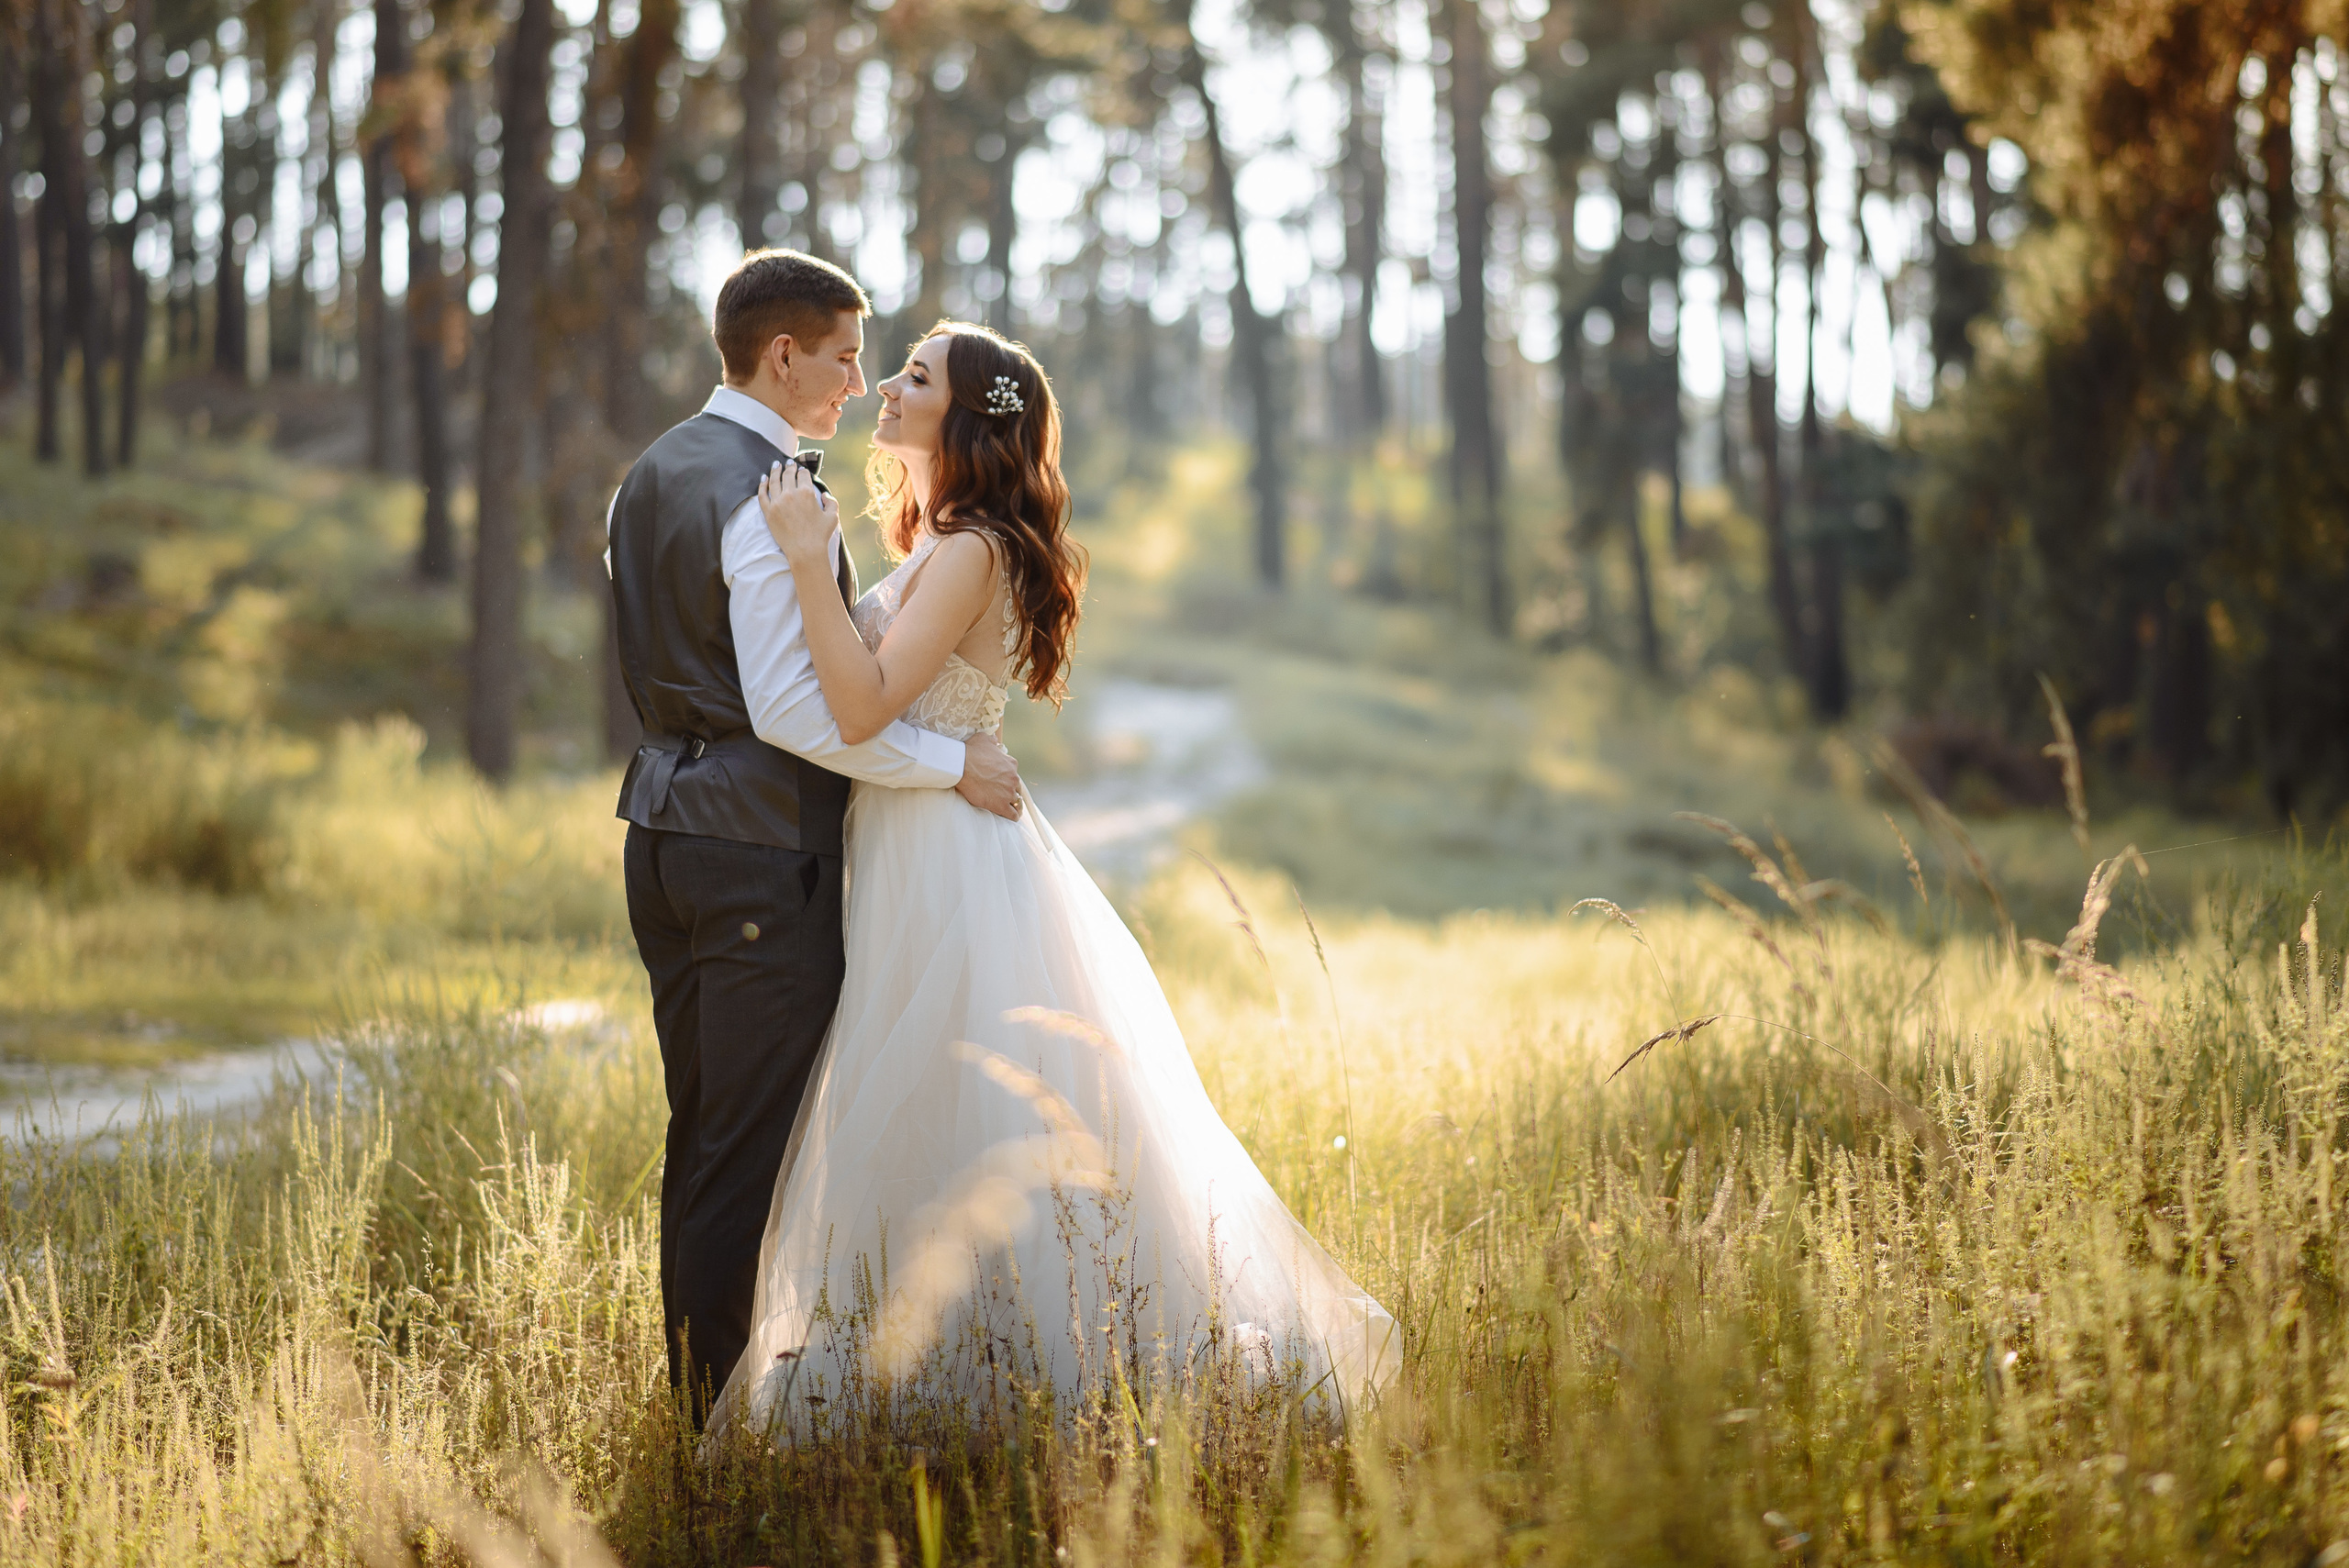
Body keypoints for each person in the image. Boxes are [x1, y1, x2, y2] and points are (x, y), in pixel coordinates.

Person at [709, 320, 1397, 1440]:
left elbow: (860, 705)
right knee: (935, 1102)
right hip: (915, 842)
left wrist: (799, 557)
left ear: (968, 417)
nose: (884, 384)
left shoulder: (974, 545)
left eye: (916, 376)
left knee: (969, 1099)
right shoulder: (935, 540)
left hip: (953, 864)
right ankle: (940, 1356)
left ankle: (1031, 1370)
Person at [607, 250, 1025, 1425]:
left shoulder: (646, 475)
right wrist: (951, 764)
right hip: (754, 852)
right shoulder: (765, 487)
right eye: (846, 357)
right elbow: (798, 708)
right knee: (743, 1155)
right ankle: (716, 1430)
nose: (858, 382)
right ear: (782, 354)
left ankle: (701, 1406)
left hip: (661, 837)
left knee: (704, 1135)